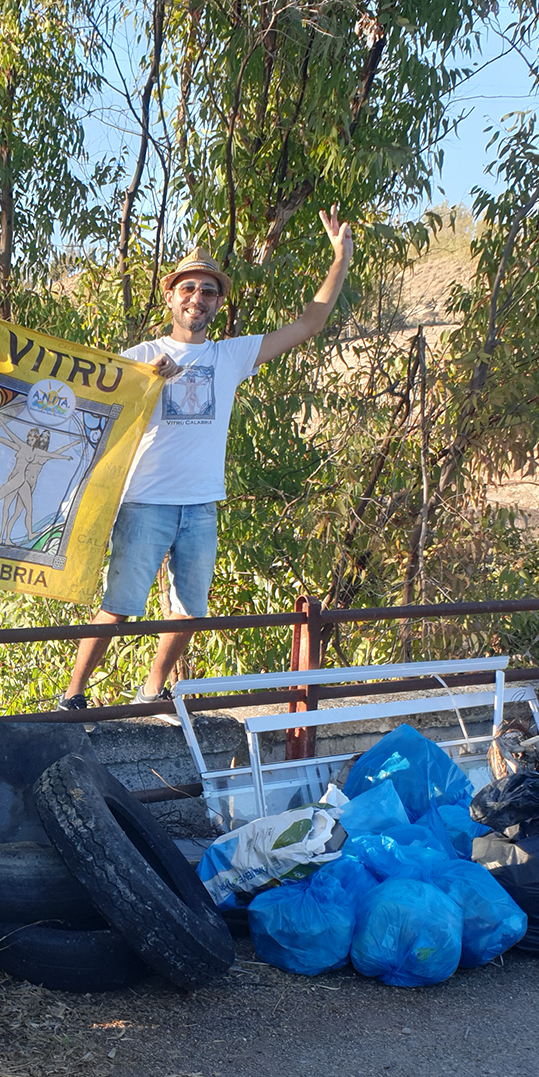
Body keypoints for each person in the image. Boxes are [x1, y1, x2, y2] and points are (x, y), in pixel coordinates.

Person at [59, 208, 355, 710]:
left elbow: (311, 322)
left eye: (209, 291)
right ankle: (72, 696)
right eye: (189, 289)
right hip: (145, 501)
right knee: (119, 607)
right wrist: (142, 382)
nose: (198, 298)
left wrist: (340, 258)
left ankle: (152, 692)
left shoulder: (230, 356)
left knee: (190, 611)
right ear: (172, 296)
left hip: (200, 506)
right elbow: (81, 398)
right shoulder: (140, 355)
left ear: (219, 302)